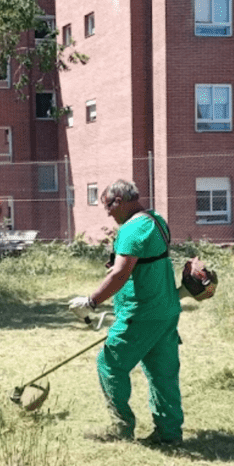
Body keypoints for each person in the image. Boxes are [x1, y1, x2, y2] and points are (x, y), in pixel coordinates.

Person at [69, 179, 183, 444]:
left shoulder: (131, 229)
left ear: (119, 201)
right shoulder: (156, 221)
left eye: (108, 206)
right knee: (162, 373)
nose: (108, 213)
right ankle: (169, 433)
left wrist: (91, 302)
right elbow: (142, 263)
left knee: (109, 364)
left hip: (140, 314)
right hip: (165, 310)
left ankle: (121, 427)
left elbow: (120, 274)